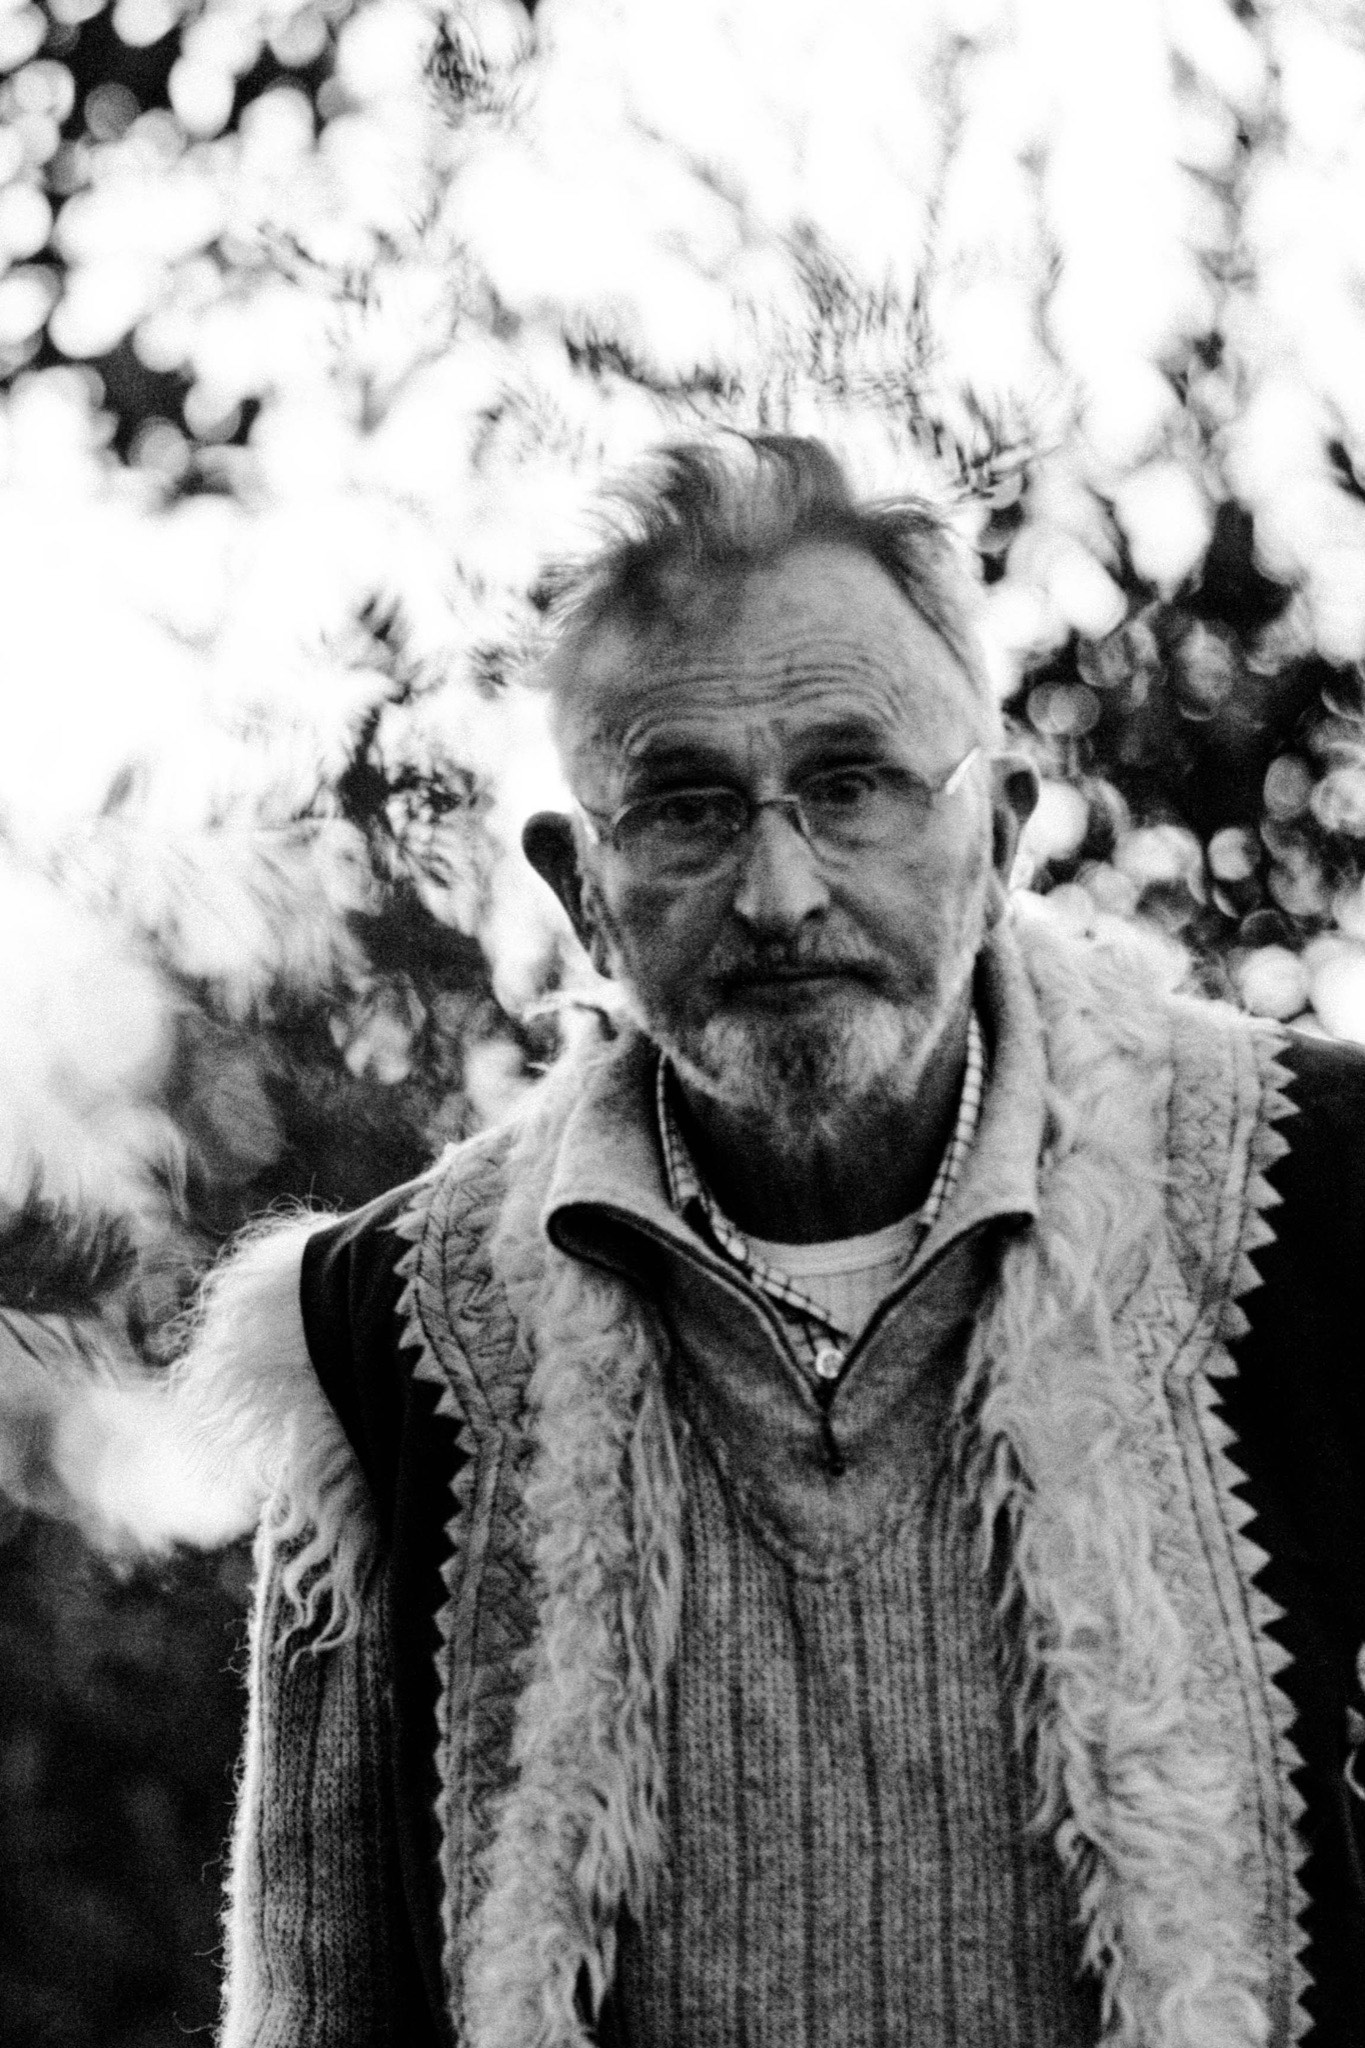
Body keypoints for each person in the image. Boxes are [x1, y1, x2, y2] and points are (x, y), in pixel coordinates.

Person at [183, 435, 1365, 2048]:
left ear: (999, 830)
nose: (778, 890)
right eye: (684, 808)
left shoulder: (1325, 1202)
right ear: (581, 888)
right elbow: (319, 2007)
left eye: (851, 783)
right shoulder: (384, 1329)